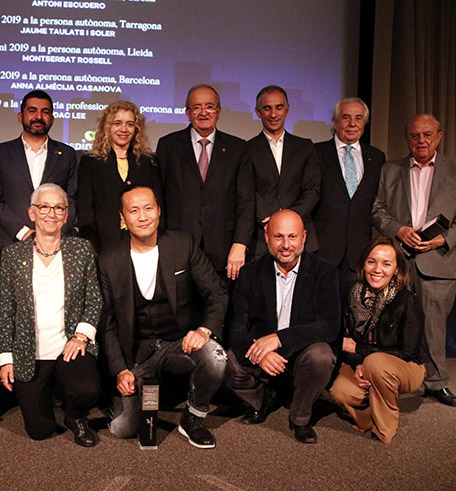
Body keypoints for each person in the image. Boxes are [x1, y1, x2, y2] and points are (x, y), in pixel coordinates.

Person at [99, 185, 228, 447]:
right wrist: (120, 370)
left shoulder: (182, 244)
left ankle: (193, 418)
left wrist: (204, 330)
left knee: (216, 358)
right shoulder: (108, 260)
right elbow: (107, 322)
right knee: (123, 429)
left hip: (178, 342)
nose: (143, 217)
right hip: (136, 352)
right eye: (134, 211)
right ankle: (119, 395)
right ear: (122, 218)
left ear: (159, 211)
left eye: (148, 208)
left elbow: (217, 292)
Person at [0, 183, 101, 446]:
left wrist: (81, 336)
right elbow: (7, 310)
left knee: (87, 389)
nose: (51, 214)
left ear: (66, 215)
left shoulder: (81, 249)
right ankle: (51, 395)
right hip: (29, 352)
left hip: (69, 346)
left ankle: (75, 415)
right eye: (44, 207)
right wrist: (5, 358)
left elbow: (94, 300)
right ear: (31, 212)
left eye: (58, 208)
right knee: (39, 430)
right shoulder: (12, 255)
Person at [225, 209, 339, 443]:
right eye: (278, 237)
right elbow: (236, 329)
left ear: (304, 237)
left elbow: (328, 326)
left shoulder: (325, 272)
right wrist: (260, 355)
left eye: (292, 237)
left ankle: (300, 418)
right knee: (224, 362)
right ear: (267, 237)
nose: (286, 245)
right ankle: (262, 399)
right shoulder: (250, 273)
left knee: (321, 356)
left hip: (301, 354)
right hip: (263, 356)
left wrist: (279, 339)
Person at [372, 113, 456, 407]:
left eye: (427, 134)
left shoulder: (454, 169)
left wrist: (445, 239)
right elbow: (378, 210)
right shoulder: (390, 169)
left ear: (439, 136)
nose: (421, 140)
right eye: (414, 135)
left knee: (434, 326)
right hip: (400, 260)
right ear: (407, 139)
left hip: (439, 260)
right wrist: (399, 230)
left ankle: (436, 382)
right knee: (393, 323)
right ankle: (395, 379)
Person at [330, 237, 429, 443]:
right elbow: (344, 339)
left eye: (386, 264)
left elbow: (407, 352)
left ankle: (384, 430)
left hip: (408, 366)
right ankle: (367, 419)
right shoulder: (351, 292)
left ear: (396, 270)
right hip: (365, 362)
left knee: (376, 364)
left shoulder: (406, 300)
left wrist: (362, 354)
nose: (377, 270)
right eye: (371, 262)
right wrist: (358, 364)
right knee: (341, 391)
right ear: (363, 265)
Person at [157, 84, 254, 280]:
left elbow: (246, 201)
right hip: (178, 249)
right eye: (197, 107)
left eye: (209, 107)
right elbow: (159, 198)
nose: (203, 112)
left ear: (218, 111)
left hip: (225, 251)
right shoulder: (168, 146)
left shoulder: (238, 148)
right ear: (187, 113)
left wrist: (240, 243)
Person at [0, 90, 78, 262]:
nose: (38, 117)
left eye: (45, 112)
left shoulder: (66, 154)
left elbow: (72, 199)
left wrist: (52, 233)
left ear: (52, 119)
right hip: (9, 242)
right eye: (32, 110)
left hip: (56, 246)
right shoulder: (1, 152)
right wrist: (23, 232)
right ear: (20, 116)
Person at [313, 98, 386, 285]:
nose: (352, 124)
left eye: (358, 118)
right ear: (335, 122)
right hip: (323, 251)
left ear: (364, 123)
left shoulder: (377, 157)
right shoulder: (315, 153)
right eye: (346, 117)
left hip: (361, 252)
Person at [78, 101, 161, 254]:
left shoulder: (148, 162)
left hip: (144, 244)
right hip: (105, 245)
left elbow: (158, 204)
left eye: (130, 124)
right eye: (117, 123)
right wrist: (92, 247)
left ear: (136, 129)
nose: (124, 129)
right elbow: (85, 211)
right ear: (107, 127)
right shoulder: (90, 162)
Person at [248, 85, 321, 257]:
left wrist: (289, 219)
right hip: (261, 239)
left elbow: (313, 189)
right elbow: (247, 192)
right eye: (267, 108)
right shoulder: (247, 149)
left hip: (301, 239)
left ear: (287, 110)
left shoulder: (305, 147)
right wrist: (272, 221)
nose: (273, 114)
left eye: (279, 107)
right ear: (258, 112)